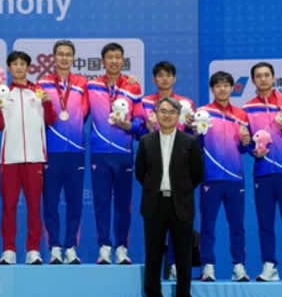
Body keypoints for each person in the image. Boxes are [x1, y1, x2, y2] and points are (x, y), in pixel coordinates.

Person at [135, 97, 203, 297]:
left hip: (181, 203)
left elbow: (197, 173)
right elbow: (140, 173)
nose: (167, 115)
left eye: (172, 112)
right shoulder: (146, 141)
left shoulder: (189, 142)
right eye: (163, 111)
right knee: (153, 253)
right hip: (154, 204)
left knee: (183, 253)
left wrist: (181, 190)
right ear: (156, 113)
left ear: (178, 115)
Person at [244, 62, 282, 282]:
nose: (263, 79)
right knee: (265, 222)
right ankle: (269, 266)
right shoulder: (248, 108)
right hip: (262, 174)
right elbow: (245, 142)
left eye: (266, 75)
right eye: (258, 76)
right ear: (253, 80)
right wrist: (253, 151)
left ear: (273, 78)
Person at [0, 51, 56, 264]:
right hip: (10, 159)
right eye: (15, 64)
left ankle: (33, 250)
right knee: (9, 206)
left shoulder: (38, 92)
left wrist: (47, 103)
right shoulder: (3, 93)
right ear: (9, 68)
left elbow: (51, 120)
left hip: (34, 158)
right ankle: (8, 250)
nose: (19, 67)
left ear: (28, 68)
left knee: (34, 206)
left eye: (22, 64)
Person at [87, 42, 145, 264]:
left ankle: (121, 248)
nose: (113, 61)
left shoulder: (133, 87)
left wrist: (130, 125)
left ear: (123, 61)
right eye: (109, 57)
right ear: (103, 61)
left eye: (117, 57)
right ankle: (104, 247)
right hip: (99, 154)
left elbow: (140, 119)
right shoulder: (91, 86)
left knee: (123, 203)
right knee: (101, 202)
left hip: (123, 153)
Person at [138, 60, 195, 280]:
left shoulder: (186, 103)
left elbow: (193, 138)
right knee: (154, 243)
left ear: (174, 78)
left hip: (179, 180)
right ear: (154, 79)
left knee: (180, 240)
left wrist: (184, 185)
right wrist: (147, 128)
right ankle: (153, 291)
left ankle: (176, 274)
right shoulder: (143, 102)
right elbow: (138, 134)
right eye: (160, 75)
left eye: (168, 75)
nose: (164, 79)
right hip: (155, 176)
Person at [193, 71, 252, 282]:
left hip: (235, 178)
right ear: (212, 89)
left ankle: (239, 267)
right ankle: (208, 267)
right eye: (218, 85)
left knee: (237, 226)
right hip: (211, 178)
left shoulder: (241, 115)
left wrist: (246, 142)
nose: (222, 89)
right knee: (207, 225)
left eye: (226, 85)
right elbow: (195, 144)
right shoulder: (202, 113)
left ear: (232, 88)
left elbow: (245, 148)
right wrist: (196, 134)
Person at [38, 39, 89, 264]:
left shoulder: (83, 83)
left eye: (68, 54)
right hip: (50, 151)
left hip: (75, 152)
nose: (64, 58)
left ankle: (70, 247)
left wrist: (129, 80)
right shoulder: (42, 84)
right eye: (60, 54)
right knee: (50, 203)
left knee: (74, 202)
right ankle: (55, 248)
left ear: (73, 57)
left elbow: (87, 112)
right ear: (54, 57)